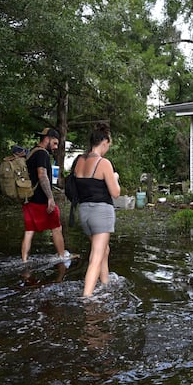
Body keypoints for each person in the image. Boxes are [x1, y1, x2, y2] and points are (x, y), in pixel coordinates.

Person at [73, 122, 120, 296]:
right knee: (96, 257)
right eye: (109, 144)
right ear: (105, 141)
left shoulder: (79, 161)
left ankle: (105, 283)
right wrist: (114, 177)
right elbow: (115, 192)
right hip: (101, 212)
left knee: (103, 250)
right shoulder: (104, 162)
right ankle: (87, 297)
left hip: (84, 212)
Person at [21, 127, 70, 262]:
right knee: (56, 228)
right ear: (47, 139)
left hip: (28, 199)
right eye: (54, 143)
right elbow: (42, 176)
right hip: (40, 200)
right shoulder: (42, 154)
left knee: (29, 231)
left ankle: (24, 260)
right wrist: (50, 198)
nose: (55, 147)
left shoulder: (32, 152)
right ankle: (62, 256)